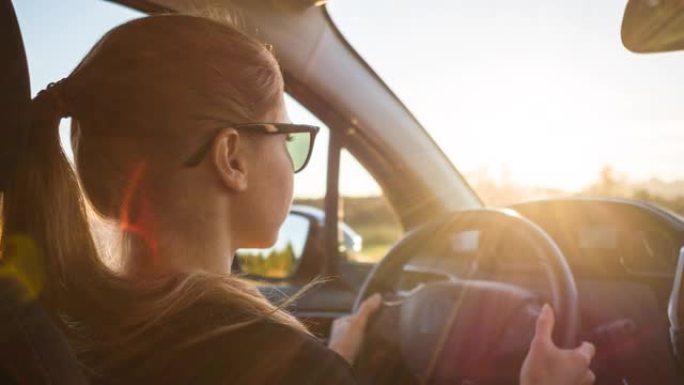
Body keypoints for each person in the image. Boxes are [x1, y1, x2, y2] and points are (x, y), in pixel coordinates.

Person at [0, 13, 595, 385]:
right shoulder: (272, 364)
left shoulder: (56, 332)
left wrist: (334, 362)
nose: (292, 161)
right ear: (231, 158)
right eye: (288, 137)